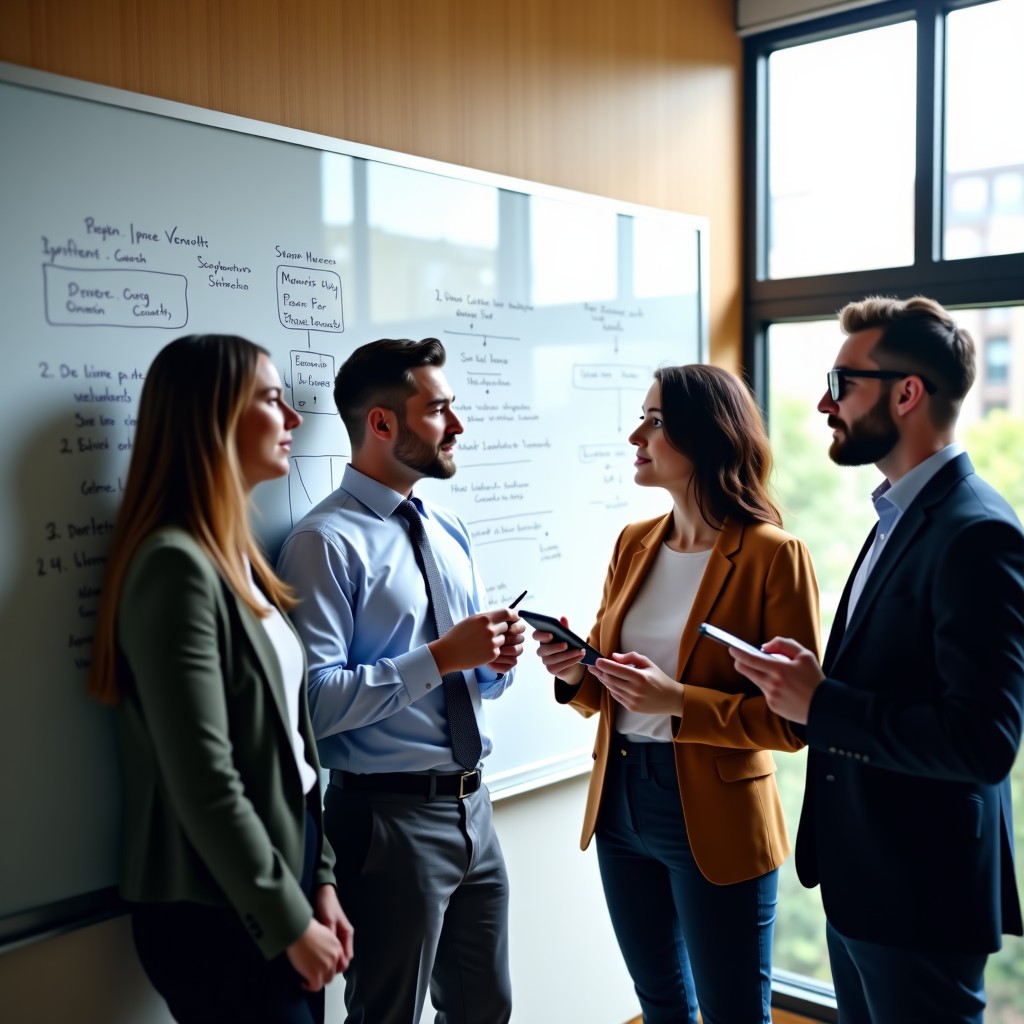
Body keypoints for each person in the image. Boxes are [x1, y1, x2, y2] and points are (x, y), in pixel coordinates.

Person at [730, 295, 1024, 1024]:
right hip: (863, 884)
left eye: (841, 385)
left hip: (921, 896)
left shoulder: (976, 534)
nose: (825, 405)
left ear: (907, 393)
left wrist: (820, 704)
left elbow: (984, 743)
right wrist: (814, 681)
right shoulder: (898, 513)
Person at [532, 364, 820, 1024]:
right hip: (621, 802)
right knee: (660, 1003)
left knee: (734, 1013)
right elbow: (609, 689)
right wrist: (575, 671)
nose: (637, 434)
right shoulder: (633, 544)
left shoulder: (775, 556)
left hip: (715, 815)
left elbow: (794, 723)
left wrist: (678, 702)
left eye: (655, 422)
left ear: (705, 436)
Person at [88, 334, 354, 1024]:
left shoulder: (235, 557)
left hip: (280, 873)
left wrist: (318, 880)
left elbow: (293, 747)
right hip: (218, 905)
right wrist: (286, 918)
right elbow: (205, 778)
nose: (294, 418)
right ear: (213, 418)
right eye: (271, 400)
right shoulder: (175, 566)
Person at [276, 337, 526, 1024]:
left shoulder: (448, 530)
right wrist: (443, 658)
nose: (458, 425)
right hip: (386, 823)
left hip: (475, 809)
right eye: (439, 409)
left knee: (485, 1010)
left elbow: (469, 681)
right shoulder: (323, 543)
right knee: (386, 1015)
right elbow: (312, 707)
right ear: (382, 424)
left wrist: (493, 662)